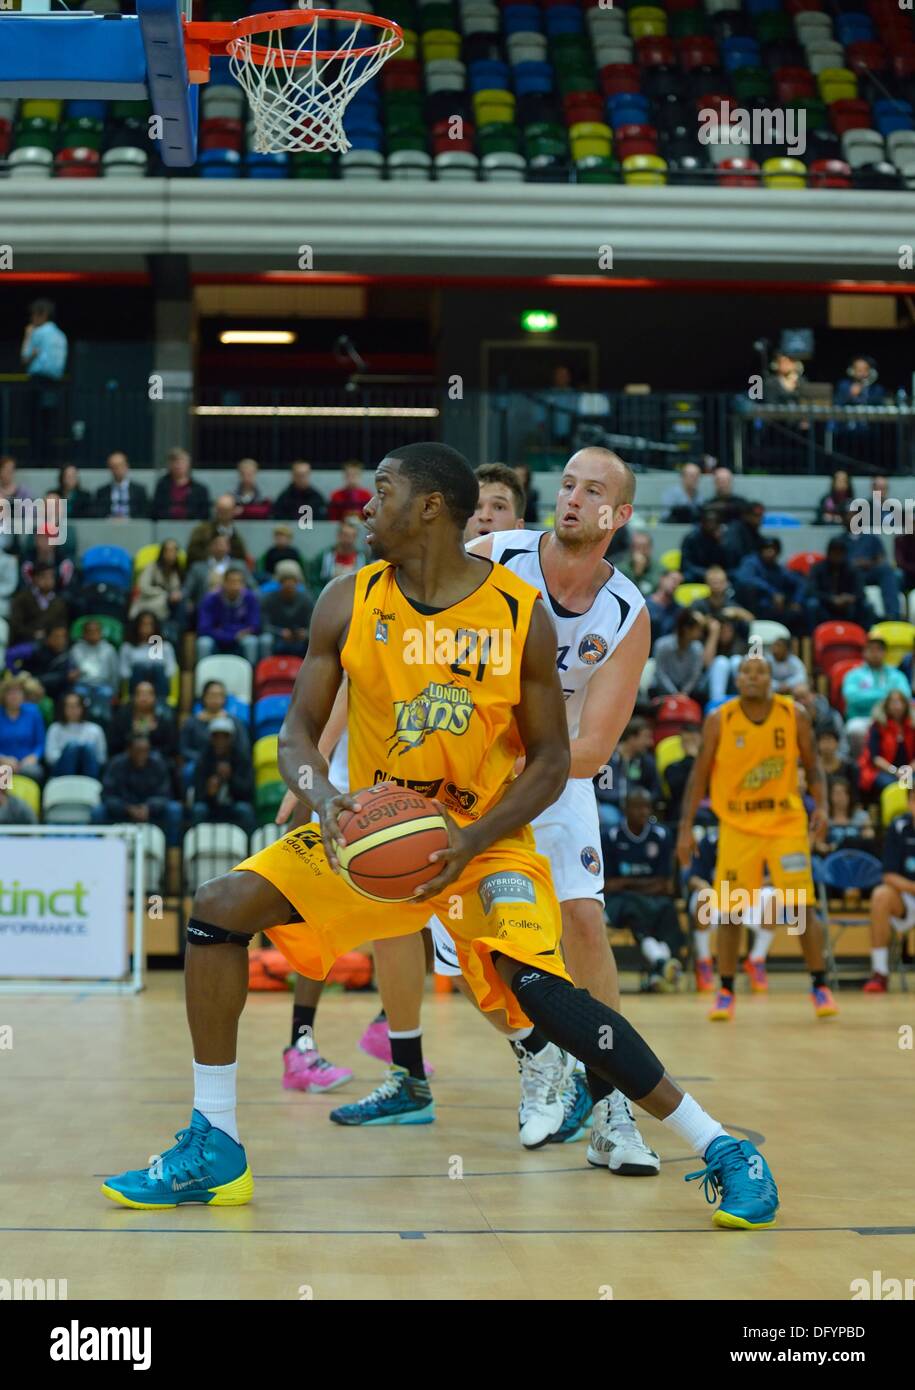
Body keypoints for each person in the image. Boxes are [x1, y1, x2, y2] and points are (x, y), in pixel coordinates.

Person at [102, 440, 780, 1231]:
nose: (362, 505)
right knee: (217, 908)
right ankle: (214, 1144)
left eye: (381, 490)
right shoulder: (345, 599)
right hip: (376, 824)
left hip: (488, 835)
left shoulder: (515, 614)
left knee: (538, 985)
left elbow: (554, 759)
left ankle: (721, 1147)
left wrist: (471, 838)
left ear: (427, 507)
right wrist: (323, 798)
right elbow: (295, 733)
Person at [676, 656, 837, 1022]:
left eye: (760, 671)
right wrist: (685, 828)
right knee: (730, 911)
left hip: (785, 823)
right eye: (746, 672)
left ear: (771, 678)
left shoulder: (793, 713)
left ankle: (820, 986)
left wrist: (823, 807)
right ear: (737, 679)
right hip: (738, 825)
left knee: (800, 908)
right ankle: (726, 990)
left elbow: (813, 766)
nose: (752, 676)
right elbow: (698, 776)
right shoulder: (721, 719)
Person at [602, 788, 685, 992]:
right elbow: (608, 884)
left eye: (647, 806)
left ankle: (658, 969)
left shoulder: (661, 835)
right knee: (632, 907)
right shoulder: (611, 836)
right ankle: (662, 964)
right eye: (638, 807)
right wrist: (642, 884)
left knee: (668, 910)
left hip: (651, 898)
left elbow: (665, 885)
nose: (643, 811)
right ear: (626, 809)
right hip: (618, 901)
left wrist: (627, 882)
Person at [863, 786, 915, 993]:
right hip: (906, 895)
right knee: (880, 895)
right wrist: (912, 887)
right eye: (913, 798)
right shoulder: (899, 826)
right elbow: (888, 875)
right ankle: (880, 972)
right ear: (909, 802)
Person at [92, 732, 182, 845]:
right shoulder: (116, 765)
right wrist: (127, 808)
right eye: (138, 751)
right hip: (122, 811)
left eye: (146, 751)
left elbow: (165, 794)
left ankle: (171, 852)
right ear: (128, 750)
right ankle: (98, 848)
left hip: (151, 811)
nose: (142, 754)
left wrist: (148, 807)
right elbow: (107, 795)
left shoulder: (158, 764)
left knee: (174, 809)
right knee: (98, 812)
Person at [20, 298, 68, 463]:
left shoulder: (38, 332)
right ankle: (49, 458)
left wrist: (28, 335)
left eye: (34, 315)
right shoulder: (61, 336)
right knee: (49, 422)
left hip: (39, 381)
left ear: (43, 315)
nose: (32, 319)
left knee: (34, 421)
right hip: (55, 382)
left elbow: (25, 357)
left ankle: (36, 458)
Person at [180, 680, 251, 790]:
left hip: (229, 762)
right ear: (204, 697)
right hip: (201, 764)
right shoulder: (192, 722)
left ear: (224, 699)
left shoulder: (235, 723)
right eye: (212, 695)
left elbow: (243, 747)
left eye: (219, 696)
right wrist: (203, 760)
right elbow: (183, 748)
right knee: (190, 770)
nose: (215, 699)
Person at [191, 717, 256, 837]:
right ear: (211, 738)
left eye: (225, 737)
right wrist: (209, 792)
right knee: (199, 810)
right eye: (216, 736)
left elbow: (248, 792)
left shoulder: (241, 758)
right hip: (210, 805)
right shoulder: (203, 759)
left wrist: (230, 779)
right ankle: (195, 845)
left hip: (234, 803)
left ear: (231, 738)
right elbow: (197, 794)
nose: (220, 741)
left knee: (245, 810)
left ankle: (250, 849)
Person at [594, 717, 659, 833]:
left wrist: (644, 803)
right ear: (631, 738)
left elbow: (655, 789)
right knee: (609, 818)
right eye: (646, 737)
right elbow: (590, 783)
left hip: (637, 809)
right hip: (609, 806)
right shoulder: (606, 757)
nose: (650, 743)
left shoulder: (646, 762)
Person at [733, 537, 807, 635]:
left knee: (799, 613)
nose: (770, 552)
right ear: (760, 550)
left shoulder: (778, 568)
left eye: (773, 550)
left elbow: (800, 583)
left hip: (774, 608)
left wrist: (796, 601)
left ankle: (795, 647)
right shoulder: (751, 562)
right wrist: (772, 592)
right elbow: (744, 578)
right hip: (754, 608)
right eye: (767, 549)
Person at [196, 567, 267, 667]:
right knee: (203, 643)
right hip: (217, 638)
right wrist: (231, 636)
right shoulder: (211, 599)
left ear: (243, 584)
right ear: (224, 583)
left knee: (251, 642)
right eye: (232, 582)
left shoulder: (250, 598)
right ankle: (203, 677)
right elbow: (204, 628)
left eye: (239, 582)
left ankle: (252, 677)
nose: (235, 586)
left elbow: (254, 625)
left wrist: (238, 633)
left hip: (240, 639)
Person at [839, 507, 901, 621]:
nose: (852, 518)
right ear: (843, 518)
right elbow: (834, 563)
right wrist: (852, 564)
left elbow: (881, 559)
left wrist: (869, 562)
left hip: (870, 572)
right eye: (848, 515)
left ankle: (893, 615)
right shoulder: (838, 541)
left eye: (855, 515)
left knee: (887, 570)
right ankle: (868, 617)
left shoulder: (871, 538)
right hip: (850, 576)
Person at [842, 637, 910, 736]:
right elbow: (852, 698)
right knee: (854, 729)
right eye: (871, 649)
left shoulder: (896, 674)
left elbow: (905, 695)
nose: (875, 653)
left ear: (885, 653)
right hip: (863, 717)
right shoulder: (853, 675)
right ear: (864, 652)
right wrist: (887, 695)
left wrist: (868, 695)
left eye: (879, 649)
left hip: (891, 719)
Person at [805, 538, 875, 631]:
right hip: (825, 606)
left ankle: (865, 640)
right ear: (828, 553)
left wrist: (849, 598)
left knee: (867, 607)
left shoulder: (852, 569)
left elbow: (860, 592)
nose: (837, 556)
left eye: (840, 553)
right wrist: (831, 599)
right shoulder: (818, 568)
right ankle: (814, 639)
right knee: (812, 605)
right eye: (834, 552)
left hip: (848, 607)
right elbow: (811, 590)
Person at [856, 690, 915, 798]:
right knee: (893, 786)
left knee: (911, 784)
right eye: (893, 702)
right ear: (886, 705)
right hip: (884, 770)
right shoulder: (878, 726)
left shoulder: (912, 726)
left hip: (908, 770)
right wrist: (895, 771)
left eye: (900, 702)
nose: (897, 706)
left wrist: (908, 770)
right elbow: (875, 758)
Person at [652, 608, 716, 700]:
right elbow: (660, 673)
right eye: (698, 629)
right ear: (686, 629)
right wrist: (674, 694)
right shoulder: (662, 645)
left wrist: (684, 693)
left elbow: (695, 675)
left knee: (701, 692)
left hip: (688, 692)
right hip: (663, 690)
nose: (701, 633)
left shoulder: (698, 648)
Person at [130, 538, 185, 644]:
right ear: (162, 552)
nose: (171, 554)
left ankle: (168, 650)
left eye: (174, 551)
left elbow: (177, 590)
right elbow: (143, 587)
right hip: (146, 603)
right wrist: (162, 593)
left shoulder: (177, 572)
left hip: (166, 610)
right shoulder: (152, 567)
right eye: (168, 550)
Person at [108, 679, 178, 760]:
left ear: (154, 698)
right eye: (140, 694)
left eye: (148, 694)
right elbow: (113, 747)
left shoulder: (164, 722)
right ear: (134, 697)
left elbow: (171, 749)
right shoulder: (121, 719)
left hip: (156, 763)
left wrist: (153, 733)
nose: (144, 698)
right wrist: (132, 734)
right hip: (126, 762)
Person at [44, 691, 107, 779]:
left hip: (89, 769)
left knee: (88, 747)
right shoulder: (55, 728)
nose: (73, 709)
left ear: (83, 708)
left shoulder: (95, 729)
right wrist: (71, 754)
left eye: (76, 705)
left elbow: (101, 759)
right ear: (63, 708)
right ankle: (69, 785)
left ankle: (89, 785)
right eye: (69, 706)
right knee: (73, 746)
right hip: (61, 771)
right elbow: (50, 758)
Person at [119, 610, 178, 701]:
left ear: (155, 626)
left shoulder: (165, 646)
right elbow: (124, 672)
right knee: (139, 668)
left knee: (157, 669)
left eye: (150, 624)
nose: (146, 627)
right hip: (136, 683)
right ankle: (137, 701)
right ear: (137, 626)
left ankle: (160, 703)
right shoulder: (127, 647)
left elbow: (171, 670)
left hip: (158, 684)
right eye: (143, 624)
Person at [259, 561, 314, 657]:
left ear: (297, 583)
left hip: (301, 639)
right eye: (285, 581)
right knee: (265, 640)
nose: (289, 584)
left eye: (292, 581)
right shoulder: (268, 599)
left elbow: (314, 624)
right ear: (279, 582)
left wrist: (305, 633)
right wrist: (279, 632)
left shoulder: (306, 599)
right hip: (276, 638)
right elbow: (264, 625)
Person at [8, 562, 68, 647]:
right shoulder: (22, 598)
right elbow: (16, 625)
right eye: (44, 576)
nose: (48, 580)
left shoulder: (59, 602)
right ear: (35, 578)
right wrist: (33, 633)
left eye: (51, 577)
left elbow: (62, 625)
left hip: (52, 644)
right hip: (25, 642)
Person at [811, 776, 874, 856]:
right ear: (830, 796)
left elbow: (870, 835)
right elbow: (818, 844)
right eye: (837, 793)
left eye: (844, 793)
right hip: (833, 858)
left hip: (857, 858)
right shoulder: (824, 818)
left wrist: (866, 834)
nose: (841, 797)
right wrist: (831, 847)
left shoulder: (861, 816)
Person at [0, 674, 46, 784]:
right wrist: (3, 759)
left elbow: (41, 743)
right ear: (3, 696)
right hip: (3, 762)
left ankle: (32, 801)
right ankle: (5, 800)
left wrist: (33, 757)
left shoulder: (33, 712)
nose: (14, 696)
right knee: (4, 774)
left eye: (18, 692)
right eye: (10, 693)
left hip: (28, 762)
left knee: (33, 772)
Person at [186, 494, 249, 568]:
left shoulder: (236, 536)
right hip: (206, 570)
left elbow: (241, 556)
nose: (223, 514)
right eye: (220, 510)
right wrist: (213, 556)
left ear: (234, 511)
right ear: (216, 510)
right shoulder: (201, 531)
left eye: (226, 510)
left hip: (230, 572)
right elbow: (192, 553)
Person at [150, 447, 211, 522]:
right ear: (169, 465)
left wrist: (186, 515)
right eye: (174, 462)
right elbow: (155, 512)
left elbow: (204, 514)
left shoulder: (200, 489)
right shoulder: (162, 486)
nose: (178, 465)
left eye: (181, 462)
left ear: (188, 464)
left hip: (192, 527)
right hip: (166, 526)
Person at [70, 618, 119, 708]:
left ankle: (103, 720)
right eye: (89, 631)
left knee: (106, 693)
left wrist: (115, 692)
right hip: (83, 684)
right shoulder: (76, 649)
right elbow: (72, 672)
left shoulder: (109, 649)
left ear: (101, 632)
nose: (93, 634)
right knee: (77, 693)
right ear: (84, 634)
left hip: (102, 684)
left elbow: (114, 673)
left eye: (96, 631)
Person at [310, 518, 368, 590]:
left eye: (352, 536)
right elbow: (314, 583)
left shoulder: (363, 558)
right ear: (338, 536)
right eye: (345, 535)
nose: (348, 540)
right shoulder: (324, 557)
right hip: (328, 596)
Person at [185, 535, 237, 612]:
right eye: (217, 544)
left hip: (233, 606)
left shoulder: (239, 566)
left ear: (228, 547)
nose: (220, 548)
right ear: (210, 547)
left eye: (223, 545)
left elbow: (252, 587)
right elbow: (187, 589)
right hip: (205, 607)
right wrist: (187, 600)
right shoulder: (198, 567)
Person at [28, 622, 77, 703]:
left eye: (63, 636)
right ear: (48, 638)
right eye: (57, 636)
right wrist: (65, 676)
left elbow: (71, 674)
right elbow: (38, 678)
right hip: (42, 691)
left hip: (62, 692)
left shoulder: (68, 653)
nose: (61, 640)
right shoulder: (39, 653)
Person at [93, 451, 149, 520]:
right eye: (114, 466)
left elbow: (145, 513)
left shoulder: (139, 490)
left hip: (132, 526)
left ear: (127, 466)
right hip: (109, 526)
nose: (118, 469)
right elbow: (97, 514)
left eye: (120, 465)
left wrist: (128, 519)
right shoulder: (102, 492)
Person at [680, 507, 729, 582]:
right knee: (687, 576)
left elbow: (728, 563)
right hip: (696, 573)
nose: (711, 525)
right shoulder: (691, 538)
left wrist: (721, 544)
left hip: (717, 573)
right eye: (708, 522)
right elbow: (686, 564)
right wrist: (705, 573)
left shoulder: (723, 538)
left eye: (714, 522)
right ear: (702, 523)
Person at [723, 500, 767, 571]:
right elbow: (734, 555)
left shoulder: (755, 533)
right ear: (746, 516)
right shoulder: (735, 530)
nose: (759, 519)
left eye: (761, 516)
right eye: (756, 515)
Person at [617, 530, 659, 596]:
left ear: (650, 549)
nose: (641, 551)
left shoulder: (659, 569)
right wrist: (637, 573)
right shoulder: (620, 569)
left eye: (644, 547)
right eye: (637, 547)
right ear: (631, 549)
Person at [646, 570, 683, 642]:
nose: (675, 584)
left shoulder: (679, 609)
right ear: (662, 579)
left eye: (679, 583)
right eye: (673, 580)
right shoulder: (644, 604)